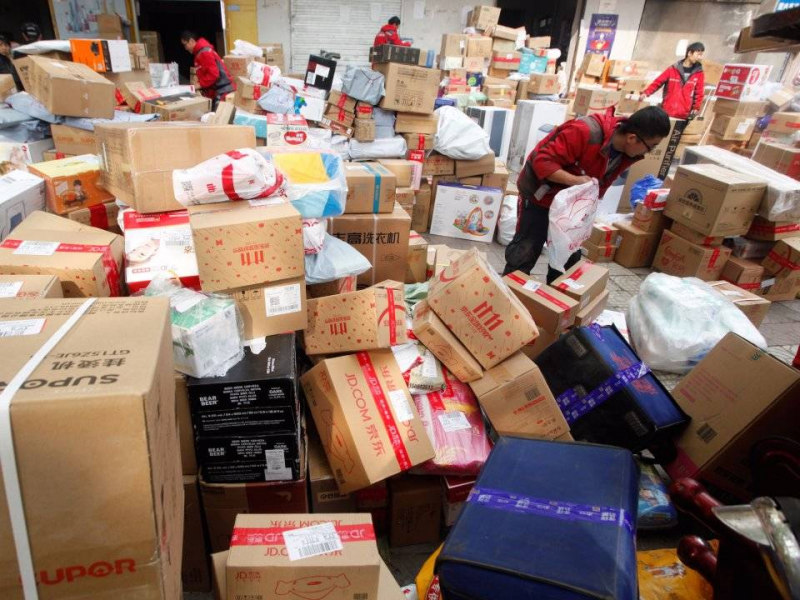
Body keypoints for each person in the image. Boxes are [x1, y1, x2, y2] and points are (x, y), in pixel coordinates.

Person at [503, 106, 671, 282]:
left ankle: (557, 296)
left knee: (569, 257)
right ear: (632, 138)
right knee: (526, 248)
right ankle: (509, 291)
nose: (647, 153)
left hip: (572, 205)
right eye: (651, 147)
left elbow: (604, 180)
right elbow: (543, 163)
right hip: (540, 195)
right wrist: (576, 180)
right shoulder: (585, 132)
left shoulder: (626, 152)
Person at [641, 42, 705, 120]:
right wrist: (646, 93)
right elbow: (658, 82)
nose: (700, 57)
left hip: (684, 114)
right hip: (667, 112)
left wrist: (696, 108)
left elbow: (699, 93)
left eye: (701, 55)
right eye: (698, 54)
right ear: (689, 53)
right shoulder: (672, 69)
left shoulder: (699, 73)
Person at [180, 31, 235, 107]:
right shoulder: (200, 53)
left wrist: (199, 84)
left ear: (192, 41)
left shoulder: (204, 53)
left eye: (185, 45)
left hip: (223, 91)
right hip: (218, 91)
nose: (185, 48)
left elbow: (214, 74)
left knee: (218, 113)